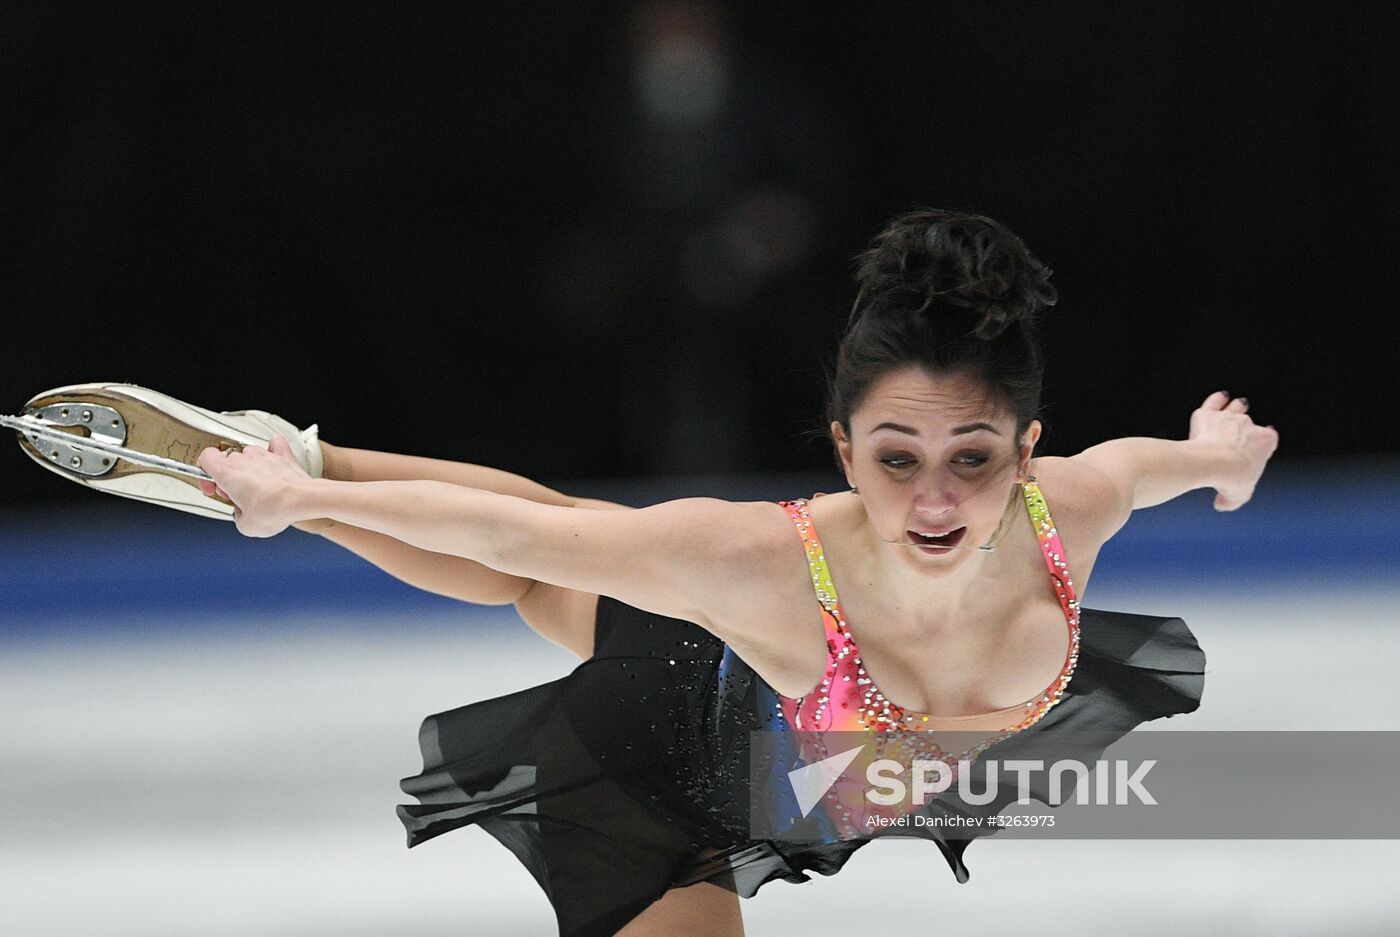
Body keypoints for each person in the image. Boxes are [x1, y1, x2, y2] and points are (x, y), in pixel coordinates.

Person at [13, 209, 1279, 936]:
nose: (936, 500)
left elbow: (1149, 463)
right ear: (843, 450)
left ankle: (304, 457)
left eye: (972, 458)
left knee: (564, 553)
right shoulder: (762, 559)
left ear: (1027, 450)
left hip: (783, 734)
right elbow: (509, 541)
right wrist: (299, 509)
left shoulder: (1070, 510)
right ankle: (298, 475)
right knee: (546, 567)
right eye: (896, 458)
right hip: (669, 746)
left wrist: (1219, 455)